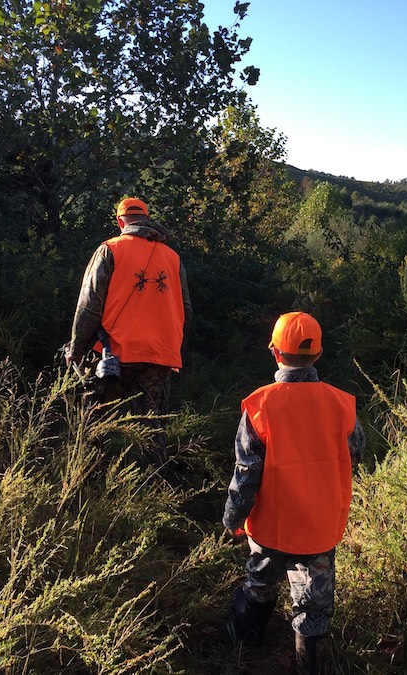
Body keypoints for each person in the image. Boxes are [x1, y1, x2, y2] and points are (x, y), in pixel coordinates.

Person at [222, 311, 365, 674]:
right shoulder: (341, 403)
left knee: (260, 583)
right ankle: (308, 666)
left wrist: (233, 518)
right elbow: (355, 454)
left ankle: (245, 643)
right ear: (318, 355)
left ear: (275, 352)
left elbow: (247, 472)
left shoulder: (260, 405)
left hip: (270, 524)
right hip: (319, 527)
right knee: (312, 605)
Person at [65, 197, 192, 467]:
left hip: (111, 354)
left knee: (95, 427)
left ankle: (88, 486)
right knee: (151, 430)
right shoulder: (173, 258)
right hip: (158, 357)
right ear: (146, 219)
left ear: (120, 222)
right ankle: (155, 490)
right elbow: (187, 311)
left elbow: (89, 306)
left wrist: (75, 349)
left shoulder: (109, 249)